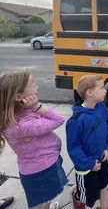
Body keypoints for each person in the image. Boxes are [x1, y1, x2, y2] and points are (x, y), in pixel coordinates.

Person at [0, 70, 67, 209]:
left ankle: (47, 205)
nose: (37, 87)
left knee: (46, 197)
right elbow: (58, 120)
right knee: (43, 199)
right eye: (33, 84)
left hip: (43, 164)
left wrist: (32, 108)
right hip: (42, 171)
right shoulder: (21, 126)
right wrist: (37, 107)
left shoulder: (23, 113)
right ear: (19, 96)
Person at [66, 75, 108, 209]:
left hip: (102, 158)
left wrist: (106, 147)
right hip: (86, 167)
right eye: (102, 88)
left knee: (104, 184)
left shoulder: (101, 107)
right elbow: (73, 148)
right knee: (88, 198)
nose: (105, 91)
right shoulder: (76, 120)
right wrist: (90, 164)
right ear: (89, 92)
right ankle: (77, 195)